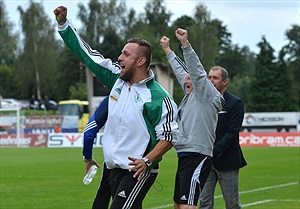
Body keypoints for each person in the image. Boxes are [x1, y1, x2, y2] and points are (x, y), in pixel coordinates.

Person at [54, 6, 179, 208]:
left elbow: (170, 137)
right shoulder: (115, 78)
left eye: (125, 54)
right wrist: (63, 24)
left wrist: (147, 161)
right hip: (110, 167)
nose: (119, 58)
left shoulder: (159, 98)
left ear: (140, 61)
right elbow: (87, 54)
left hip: (137, 171)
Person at [160, 29, 224, 209]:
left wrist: (185, 45)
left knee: (188, 205)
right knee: (178, 204)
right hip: (185, 154)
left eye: (191, 80)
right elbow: (182, 72)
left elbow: (196, 71)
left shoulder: (205, 94)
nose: (185, 81)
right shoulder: (191, 93)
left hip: (198, 155)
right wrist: (167, 50)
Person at [199, 66, 247, 209]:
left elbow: (233, 132)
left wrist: (215, 150)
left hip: (227, 161)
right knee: (205, 204)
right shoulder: (202, 101)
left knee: (232, 204)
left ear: (224, 82)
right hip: (206, 160)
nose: (211, 80)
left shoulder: (235, 103)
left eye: (215, 78)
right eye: (209, 77)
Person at [82, 96, 110, 209]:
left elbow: (89, 133)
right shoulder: (149, 96)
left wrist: (87, 158)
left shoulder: (113, 98)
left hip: (113, 162)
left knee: (102, 197)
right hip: (139, 161)